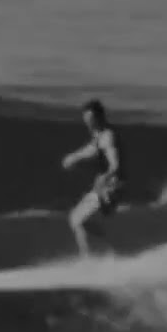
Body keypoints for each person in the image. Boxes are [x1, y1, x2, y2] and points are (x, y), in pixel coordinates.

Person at [60, 99, 129, 256]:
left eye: (91, 120)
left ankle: (90, 258)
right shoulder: (101, 134)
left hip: (110, 187)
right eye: (86, 121)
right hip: (108, 187)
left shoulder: (108, 137)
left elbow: (115, 165)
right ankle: (108, 249)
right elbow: (91, 149)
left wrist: (106, 177)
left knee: (77, 220)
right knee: (77, 220)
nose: (89, 124)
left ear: (100, 117)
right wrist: (74, 157)